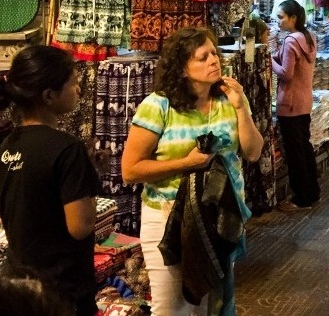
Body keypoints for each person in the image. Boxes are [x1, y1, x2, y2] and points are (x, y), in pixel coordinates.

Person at [122, 27, 264, 315]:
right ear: (182, 68)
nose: (214, 60)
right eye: (202, 57)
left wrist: (241, 108)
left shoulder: (229, 99)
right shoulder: (158, 105)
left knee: (208, 307)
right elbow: (131, 170)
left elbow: (253, 152)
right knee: (172, 308)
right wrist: (186, 164)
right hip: (169, 219)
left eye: (214, 53)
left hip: (220, 218)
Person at [0, 46, 100, 316]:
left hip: (19, 286)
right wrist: (89, 176)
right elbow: (80, 225)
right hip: (61, 290)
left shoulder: (7, 145)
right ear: (48, 95)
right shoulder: (67, 148)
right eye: (73, 83)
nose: (79, 89)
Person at [271, 0, 321, 211]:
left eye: (281, 17)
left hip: (290, 104)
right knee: (305, 147)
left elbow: (286, 73)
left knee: (294, 152)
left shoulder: (291, 41)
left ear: (293, 18)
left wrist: (267, 59)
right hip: (304, 102)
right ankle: (312, 192)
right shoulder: (309, 38)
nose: (278, 21)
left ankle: (300, 198)